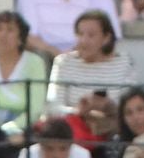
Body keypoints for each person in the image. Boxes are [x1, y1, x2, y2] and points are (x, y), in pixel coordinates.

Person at [45, 9, 133, 150]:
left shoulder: (123, 63)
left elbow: (129, 106)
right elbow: (53, 106)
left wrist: (106, 106)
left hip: (110, 131)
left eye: (91, 35)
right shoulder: (64, 62)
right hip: (71, 133)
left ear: (106, 38)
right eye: (80, 34)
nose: (83, 41)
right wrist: (78, 111)